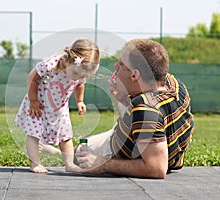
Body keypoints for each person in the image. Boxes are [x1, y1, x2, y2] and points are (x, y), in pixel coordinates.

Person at [75, 39, 194, 179]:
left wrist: (102, 164)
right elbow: (158, 115)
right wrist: (124, 99)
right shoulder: (174, 83)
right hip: (159, 149)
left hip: (113, 150)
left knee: (78, 154)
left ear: (134, 75)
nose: (115, 66)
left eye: (121, 64)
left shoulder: (145, 109)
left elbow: (156, 168)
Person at [14, 39, 100, 173]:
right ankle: (35, 163)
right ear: (69, 60)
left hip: (59, 108)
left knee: (66, 136)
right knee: (34, 134)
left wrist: (79, 101)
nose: (77, 77)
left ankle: (69, 164)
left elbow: (80, 84)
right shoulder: (51, 64)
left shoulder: (81, 72)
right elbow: (32, 77)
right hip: (39, 105)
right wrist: (33, 101)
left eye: (82, 75)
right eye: (76, 74)